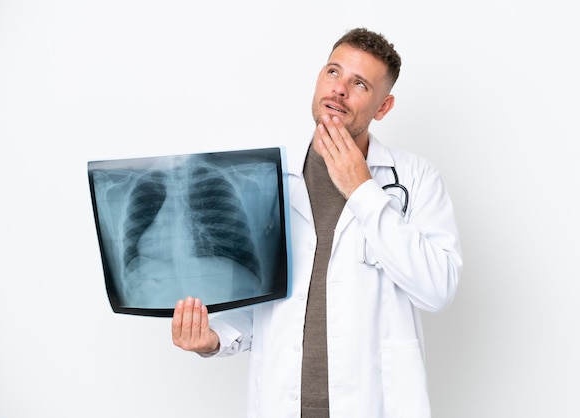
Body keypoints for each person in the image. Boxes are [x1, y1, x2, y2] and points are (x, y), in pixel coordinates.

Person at [171, 27, 462, 418]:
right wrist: (214, 338)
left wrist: (363, 190)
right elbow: (261, 300)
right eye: (333, 72)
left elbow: (437, 288)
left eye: (359, 83)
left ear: (383, 107)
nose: (339, 89)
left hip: (372, 404)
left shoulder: (416, 178)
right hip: (282, 403)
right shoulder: (267, 174)